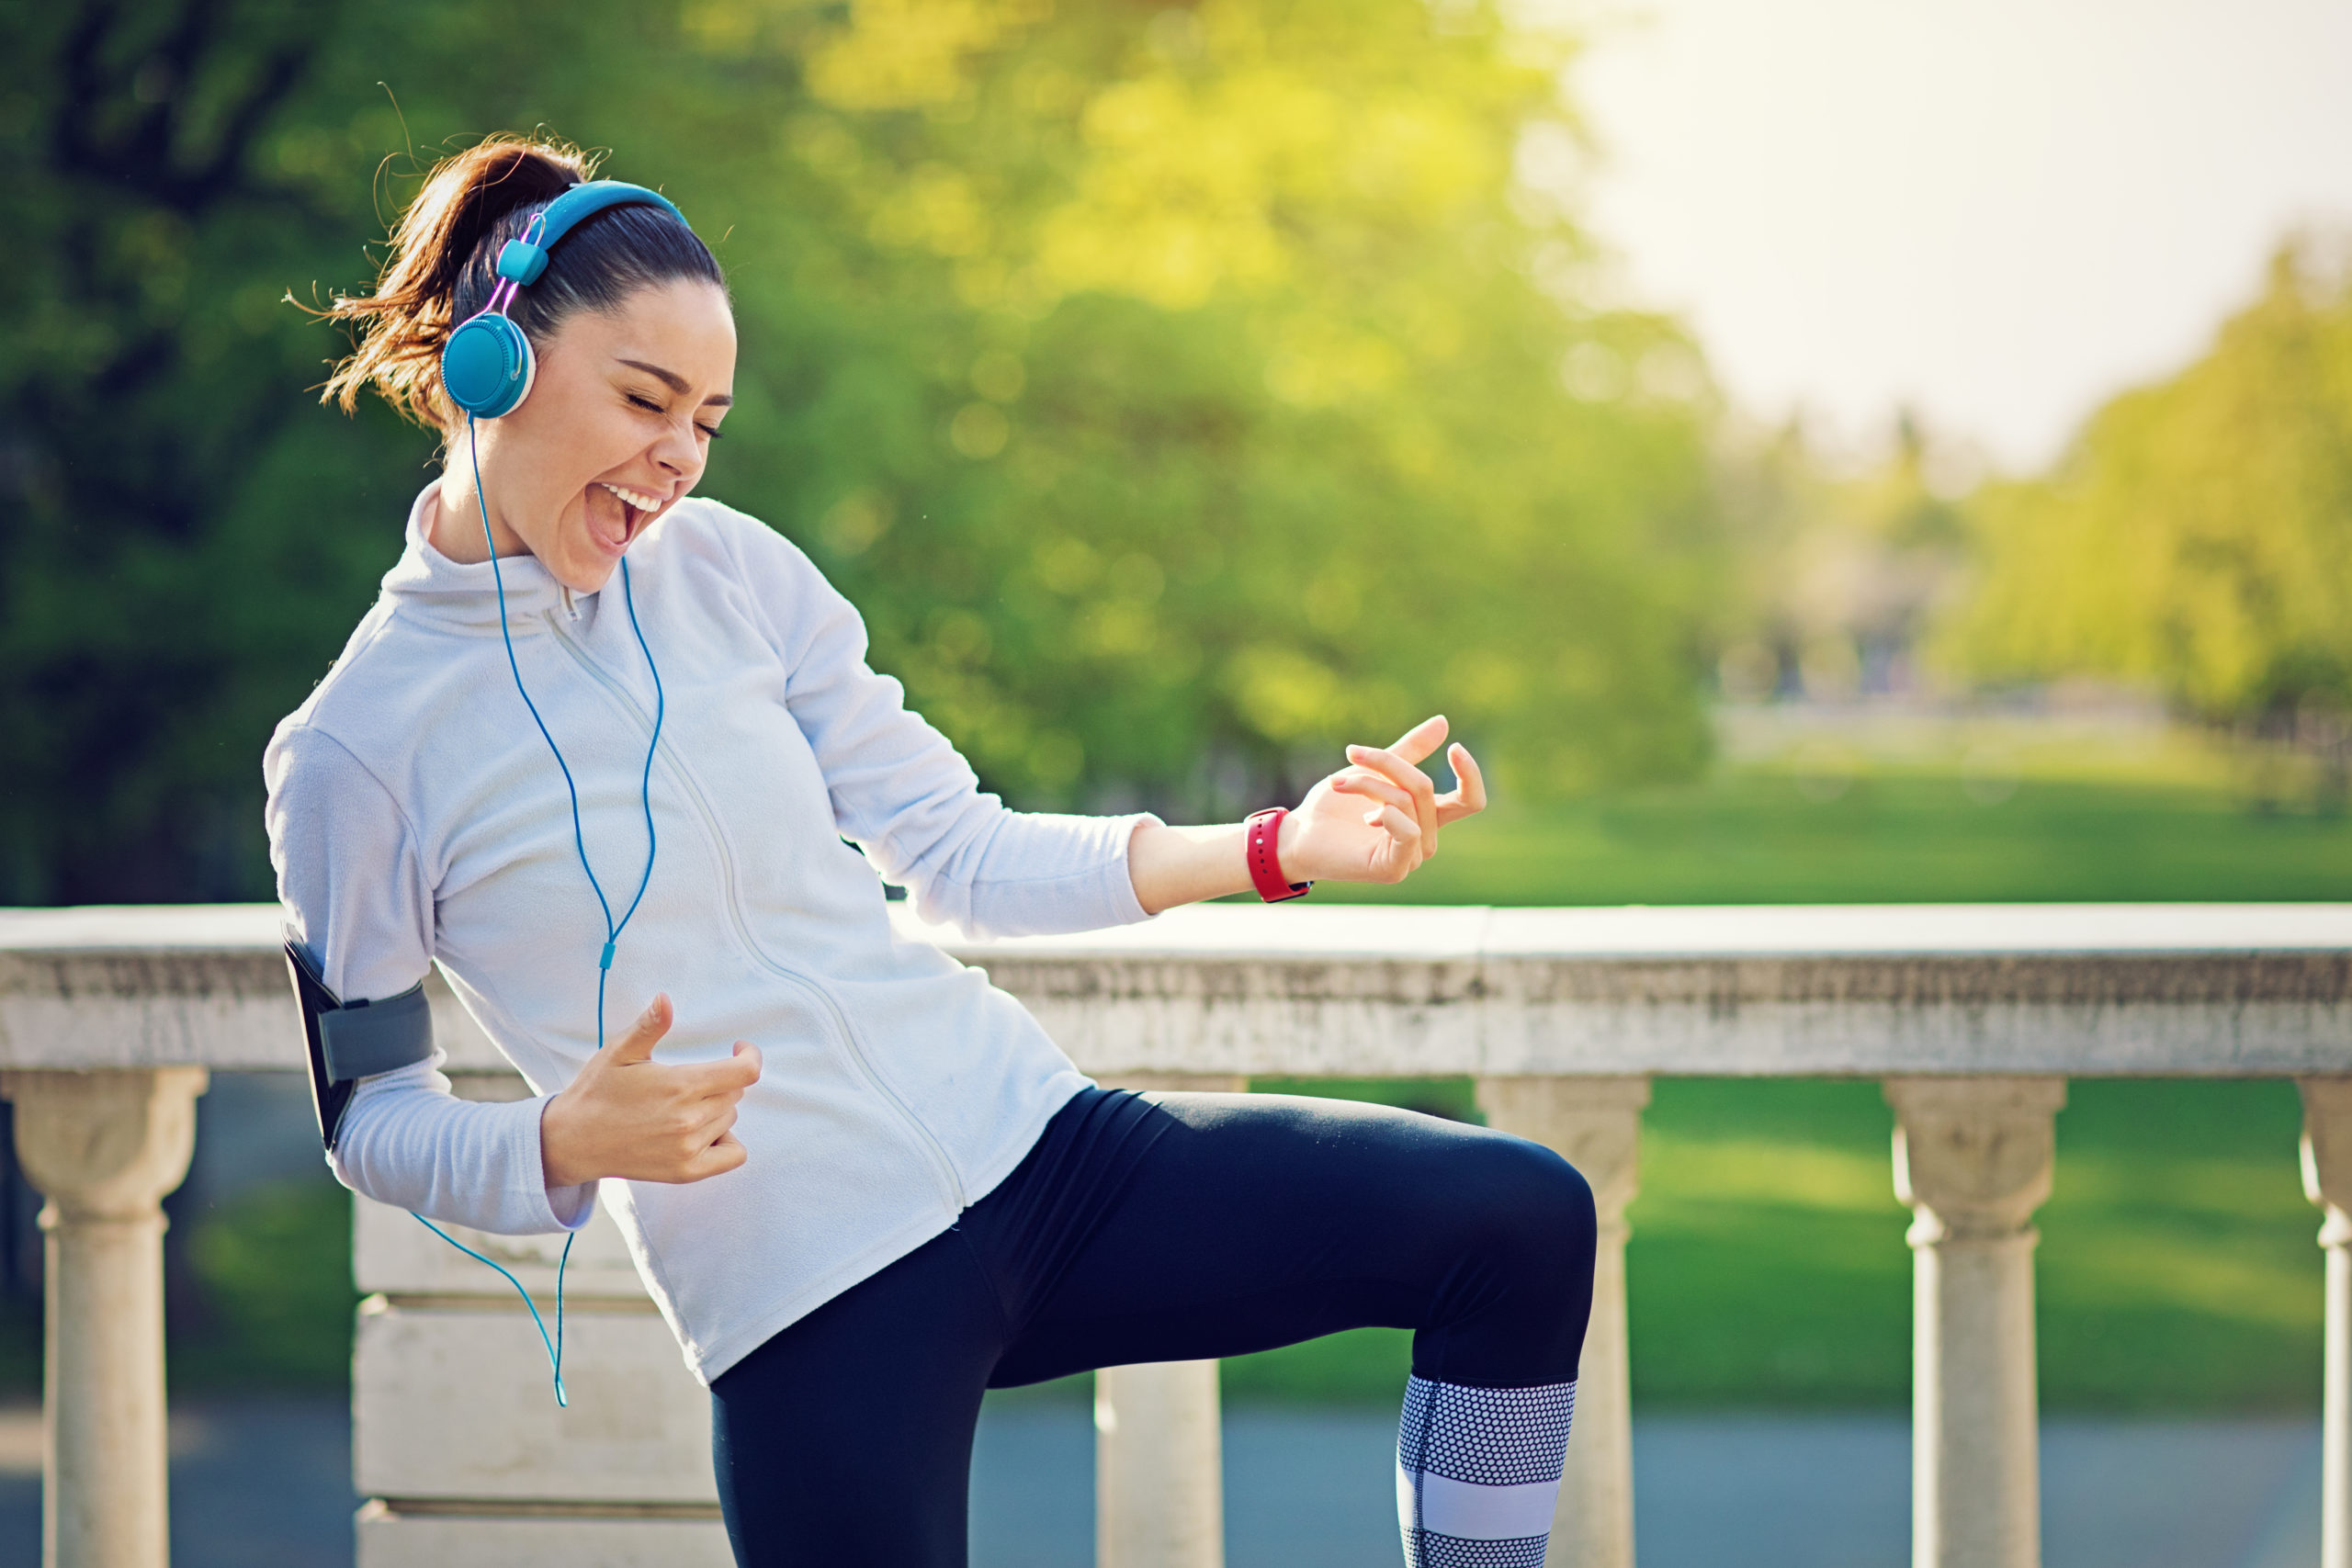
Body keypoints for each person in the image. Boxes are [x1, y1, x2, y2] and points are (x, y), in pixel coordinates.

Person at [267, 133, 1596, 1568]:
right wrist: (559, 1142)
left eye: (707, 420)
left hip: (1043, 1156)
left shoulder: (730, 572)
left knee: (1521, 1222)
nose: (680, 458)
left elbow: (960, 849)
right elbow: (372, 1119)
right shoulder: (356, 751)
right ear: (494, 367)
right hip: (810, 1294)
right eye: (645, 400)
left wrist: (1279, 845)